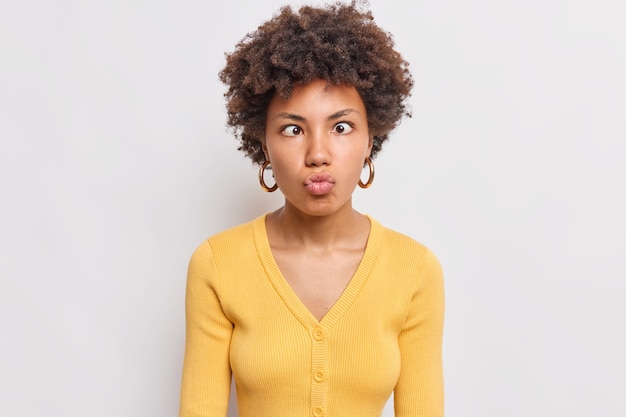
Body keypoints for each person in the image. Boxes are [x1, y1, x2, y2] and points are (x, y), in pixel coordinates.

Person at [178, 2, 445, 417]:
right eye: (292, 129)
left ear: (370, 139)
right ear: (264, 144)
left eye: (341, 127)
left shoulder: (414, 270)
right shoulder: (217, 264)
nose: (317, 154)